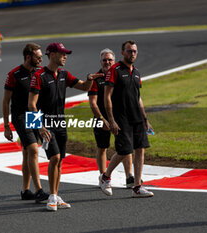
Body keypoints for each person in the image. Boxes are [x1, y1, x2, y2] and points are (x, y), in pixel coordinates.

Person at [28, 42, 103, 211]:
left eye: (65, 53)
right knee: (54, 157)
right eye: (62, 53)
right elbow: (31, 105)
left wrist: (90, 80)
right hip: (45, 124)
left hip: (60, 123)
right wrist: (39, 127)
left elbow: (83, 86)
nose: (65, 56)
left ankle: (55, 195)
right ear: (52, 54)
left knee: (60, 159)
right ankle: (51, 197)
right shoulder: (39, 76)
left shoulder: (64, 74)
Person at [99, 40, 154, 198]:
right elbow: (107, 96)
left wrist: (145, 118)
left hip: (136, 117)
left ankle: (137, 186)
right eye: (129, 51)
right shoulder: (115, 70)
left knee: (140, 149)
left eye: (134, 51)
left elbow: (138, 97)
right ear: (122, 53)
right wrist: (111, 119)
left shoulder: (136, 72)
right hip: (120, 117)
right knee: (124, 150)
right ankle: (105, 177)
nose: (132, 54)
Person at [2, 43, 49, 202]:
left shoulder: (40, 72)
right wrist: (6, 126)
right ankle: (40, 191)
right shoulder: (14, 74)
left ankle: (25, 190)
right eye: (38, 56)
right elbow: (5, 101)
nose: (41, 59)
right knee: (34, 150)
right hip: (20, 116)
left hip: (35, 115)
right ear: (28, 57)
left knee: (27, 153)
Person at [88, 48, 135, 188]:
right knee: (102, 147)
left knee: (126, 146)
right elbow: (93, 103)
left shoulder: (120, 75)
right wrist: (102, 119)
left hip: (120, 118)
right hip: (101, 118)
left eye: (110, 60)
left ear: (114, 61)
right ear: (100, 62)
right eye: (104, 60)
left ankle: (129, 177)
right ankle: (104, 177)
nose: (107, 62)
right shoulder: (95, 78)